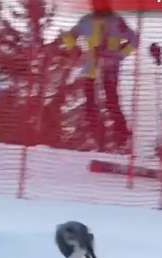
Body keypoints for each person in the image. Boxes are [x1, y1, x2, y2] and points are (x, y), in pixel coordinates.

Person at [62, 0, 138, 153]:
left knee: (111, 101)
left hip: (110, 67)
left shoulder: (116, 20)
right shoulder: (87, 20)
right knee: (90, 102)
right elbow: (69, 35)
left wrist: (119, 54)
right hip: (91, 66)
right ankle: (95, 137)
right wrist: (74, 49)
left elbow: (135, 40)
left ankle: (122, 138)